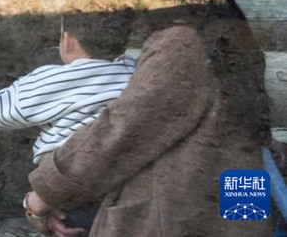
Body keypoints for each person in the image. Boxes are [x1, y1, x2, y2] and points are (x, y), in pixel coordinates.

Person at [24, 21, 273, 237]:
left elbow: (122, 131)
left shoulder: (183, 41)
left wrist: (43, 195)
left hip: (190, 218)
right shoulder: (231, 35)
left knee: (71, 216)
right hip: (231, 210)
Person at [0, 15, 135, 231]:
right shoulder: (133, 73)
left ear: (67, 40)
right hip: (122, 191)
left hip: (69, 191)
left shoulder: (53, 79)